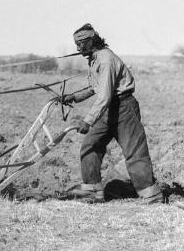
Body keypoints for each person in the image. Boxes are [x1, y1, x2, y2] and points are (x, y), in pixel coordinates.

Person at [62, 23, 162, 203]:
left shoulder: (106, 59)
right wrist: (74, 97)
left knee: (134, 151)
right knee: (90, 145)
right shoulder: (95, 59)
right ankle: (92, 190)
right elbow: (96, 87)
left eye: (81, 44)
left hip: (123, 107)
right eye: (76, 45)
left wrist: (88, 121)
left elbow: (105, 95)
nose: (78, 48)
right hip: (109, 108)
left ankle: (151, 196)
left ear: (91, 41)